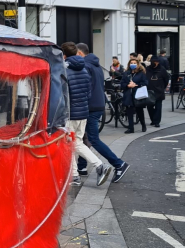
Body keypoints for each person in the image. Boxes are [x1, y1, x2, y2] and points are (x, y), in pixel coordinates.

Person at [77, 43, 131, 183]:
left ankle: (119, 164)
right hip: (98, 104)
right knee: (84, 137)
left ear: (79, 53)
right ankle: (81, 166)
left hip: (91, 107)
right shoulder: (96, 65)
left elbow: (85, 88)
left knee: (93, 139)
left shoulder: (86, 66)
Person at [61, 43, 112, 187]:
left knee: (74, 143)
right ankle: (75, 176)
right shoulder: (84, 69)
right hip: (83, 112)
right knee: (73, 143)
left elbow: (62, 95)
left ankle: (100, 165)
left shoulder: (65, 71)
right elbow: (88, 92)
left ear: (64, 55)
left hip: (70, 114)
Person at [122, 59, 148, 134]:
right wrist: (128, 85)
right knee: (129, 111)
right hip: (128, 95)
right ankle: (131, 128)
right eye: (131, 63)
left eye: (134, 63)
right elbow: (122, 83)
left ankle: (143, 124)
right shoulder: (126, 73)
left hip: (137, 94)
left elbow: (145, 83)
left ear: (137, 64)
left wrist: (136, 85)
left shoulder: (141, 73)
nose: (133, 64)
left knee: (139, 111)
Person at [146, 58, 169, 128]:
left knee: (158, 107)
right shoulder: (147, 69)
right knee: (149, 106)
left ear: (158, 62)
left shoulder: (162, 69)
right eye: (153, 61)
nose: (154, 63)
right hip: (149, 91)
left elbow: (166, 79)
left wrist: (162, 87)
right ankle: (153, 119)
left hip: (159, 91)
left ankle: (157, 122)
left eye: (155, 62)